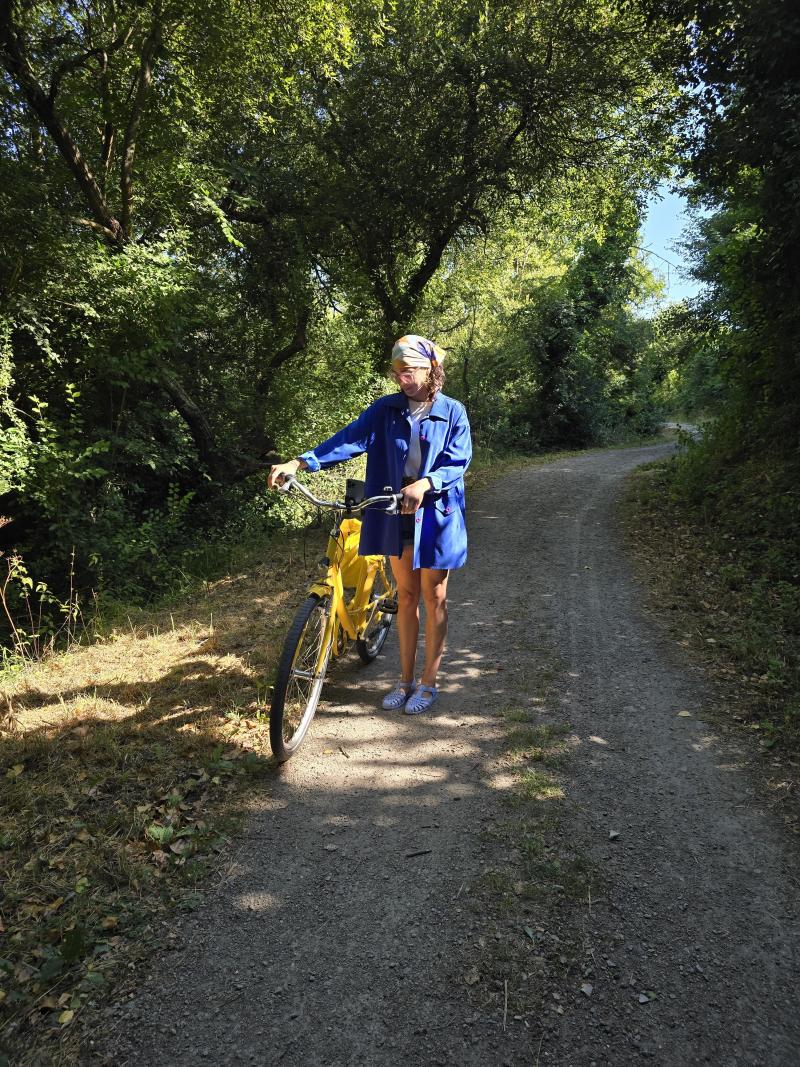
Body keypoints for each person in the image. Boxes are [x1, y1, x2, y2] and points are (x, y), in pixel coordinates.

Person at [267, 334, 472, 714]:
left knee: (434, 597)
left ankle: (429, 683)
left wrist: (426, 483)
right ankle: (405, 681)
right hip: (395, 510)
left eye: (409, 371)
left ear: (432, 370)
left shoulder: (453, 411)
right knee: (406, 596)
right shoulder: (385, 410)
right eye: (397, 372)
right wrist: (300, 462)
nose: (402, 379)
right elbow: (348, 440)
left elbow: (458, 460)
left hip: (437, 515)